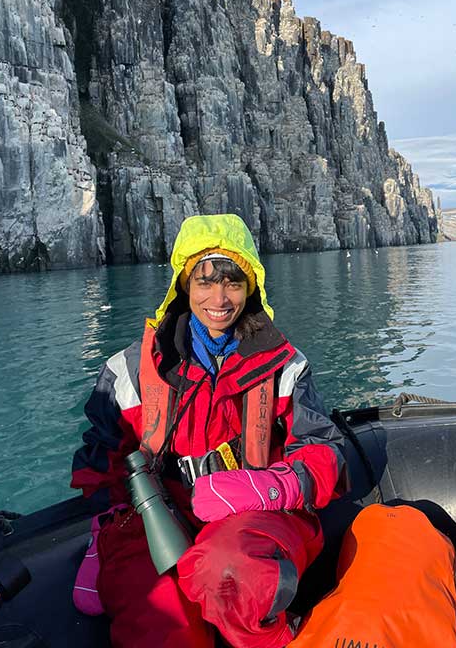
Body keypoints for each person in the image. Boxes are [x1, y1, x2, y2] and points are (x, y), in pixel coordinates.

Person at [70, 213, 347, 648]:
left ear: (251, 286)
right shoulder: (129, 370)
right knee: (156, 615)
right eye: (204, 282)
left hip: (258, 518)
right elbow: (99, 460)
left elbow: (323, 450)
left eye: (233, 282)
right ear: (183, 284)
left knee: (230, 570)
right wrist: (109, 521)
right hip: (158, 521)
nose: (219, 297)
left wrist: (277, 487)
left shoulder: (284, 365)